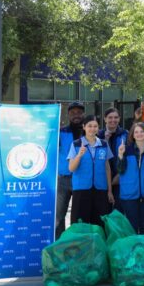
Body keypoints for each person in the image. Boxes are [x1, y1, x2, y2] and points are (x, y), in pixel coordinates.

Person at [67, 115, 113, 227]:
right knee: (80, 224)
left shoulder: (104, 144)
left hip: (100, 189)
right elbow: (71, 168)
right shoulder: (76, 144)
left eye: (95, 126)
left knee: (100, 224)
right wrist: (79, 155)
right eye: (89, 126)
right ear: (84, 127)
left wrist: (110, 191)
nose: (92, 128)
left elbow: (107, 168)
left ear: (98, 127)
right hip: (81, 189)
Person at [117, 122, 144, 234]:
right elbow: (120, 170)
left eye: (142, 131)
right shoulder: (126, 150)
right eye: (136, 132)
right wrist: (120, 155)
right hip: (129, 193)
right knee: (132, 225)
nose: (139, 134)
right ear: (132, 135)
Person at [56, 101, 85, 238]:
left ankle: (77, 241)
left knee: (79, 215)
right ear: (68, 115)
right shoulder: (61, 132)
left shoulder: (89, 132)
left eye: (79, 112)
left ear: (83, 114)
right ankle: (60, 242)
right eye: (73, 113)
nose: (76, 115)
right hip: (63, 179)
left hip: (82, 179)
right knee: (59, 215)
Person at [98, 107, 128, 211]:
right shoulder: (98, 135)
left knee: (117, 210)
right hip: (102, 178)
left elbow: (129, 156)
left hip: (119, 178)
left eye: (116, 117)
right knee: (103, 210)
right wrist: (105, 140)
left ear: (119, 119)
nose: (113, 120)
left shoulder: (125, 134)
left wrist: (120, 174)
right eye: (110, 117)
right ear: (105, 119)